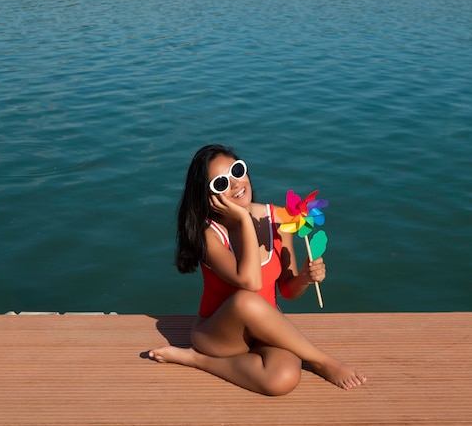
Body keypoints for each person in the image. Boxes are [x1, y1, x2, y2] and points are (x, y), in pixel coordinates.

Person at [149, 144, 366, 396]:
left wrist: (305, 278)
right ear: (208, 196)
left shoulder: (277, 218)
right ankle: (323, 361)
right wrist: (244, 219)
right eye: (221, 184)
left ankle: (196, 360)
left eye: (237, 171)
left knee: (281, 379)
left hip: (264, 329)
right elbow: (250, 282)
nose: (235, 184)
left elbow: (286, 290)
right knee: (245, 300)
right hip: (220, 335)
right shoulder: (210, 236)